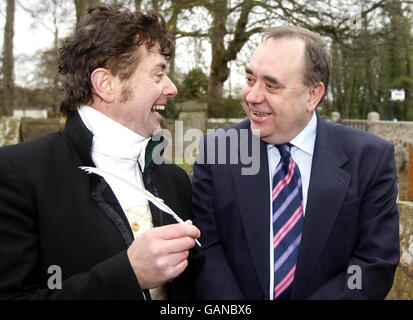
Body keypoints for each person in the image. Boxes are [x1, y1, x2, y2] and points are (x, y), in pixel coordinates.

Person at [0, 5, 200, 300]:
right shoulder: (17, 174)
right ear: (106, 84)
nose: (171, 89)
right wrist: (127, 275)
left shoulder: (175, 181)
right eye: (158, 75)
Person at [191, 26, 399, 300]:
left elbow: (372, 264)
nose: (253, 95)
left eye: (271, 85)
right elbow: (206, 248)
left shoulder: (370, 158)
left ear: (312, 95)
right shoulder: (217, 150)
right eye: (250, 79)